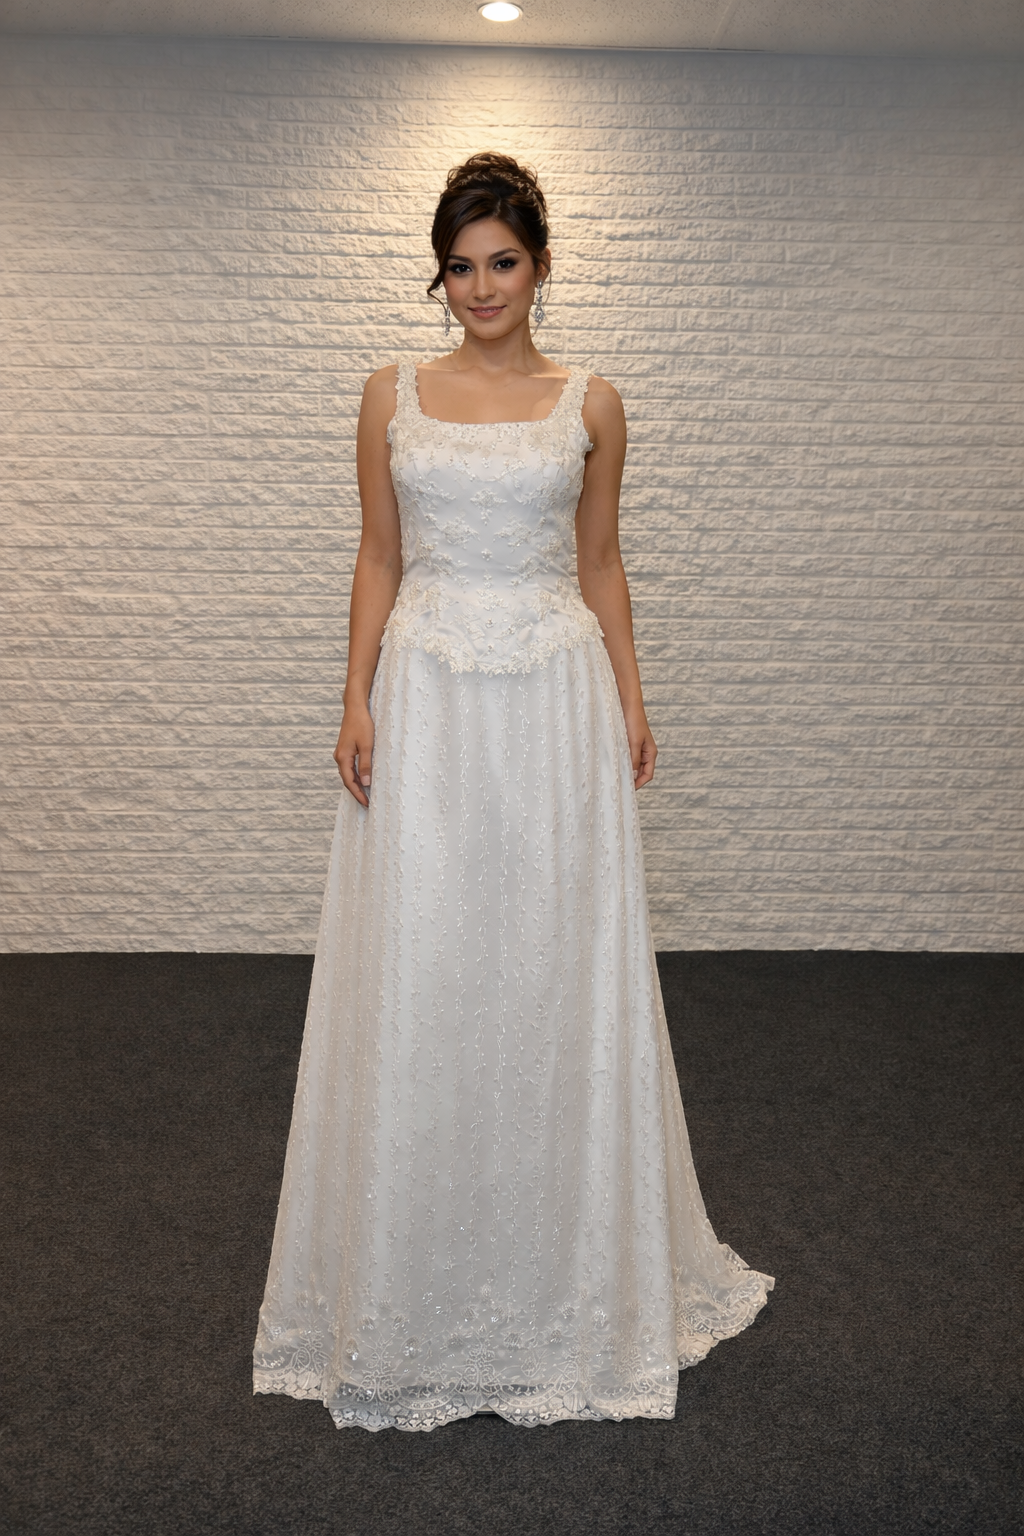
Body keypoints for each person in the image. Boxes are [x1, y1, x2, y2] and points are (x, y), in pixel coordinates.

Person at [253, 152, 773, 1432]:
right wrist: (354, 694)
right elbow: (379, 554)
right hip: (428, 695)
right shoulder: (390, 394)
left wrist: (633, 700)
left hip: (552, 699)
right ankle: (410, 1261)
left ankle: (567, 1265)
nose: (480, 287)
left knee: (547, 958)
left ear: (540, 267)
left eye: (503, 262)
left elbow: (600, 563)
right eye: (459, 266)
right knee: (425, 956)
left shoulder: (589, 402)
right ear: (437, 276)